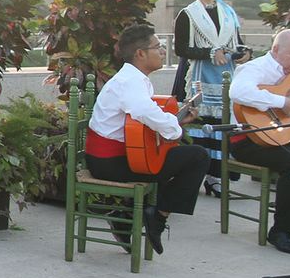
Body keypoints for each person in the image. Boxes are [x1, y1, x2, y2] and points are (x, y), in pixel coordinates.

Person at [84, 24, 211, 254]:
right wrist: (175, 129)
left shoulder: (134, 78)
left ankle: (125, 216)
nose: (162, 51)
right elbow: (144, 112)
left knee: (171, 155)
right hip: (110, 162)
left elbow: (141, 125)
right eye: (158, 47)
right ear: (140, 53)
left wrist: (177, 121)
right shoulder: (130, 82)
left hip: (116, 156)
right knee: (198, 157)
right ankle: (157, 217)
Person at [228, 29, 290, 256]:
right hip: (251, 141)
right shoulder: (254, 68)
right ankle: (281, 231)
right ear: (275, 50)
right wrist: (281, 101)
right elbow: (238, 91)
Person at [170, 0, 248, 194]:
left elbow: (237, 42)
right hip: (197, 74)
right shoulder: (188, 14)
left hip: (225, 76)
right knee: (197, 123)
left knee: (220, 126)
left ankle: (216, 177)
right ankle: (191, 176)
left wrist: (243, 53)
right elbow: (181, 48)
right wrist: (211, 53)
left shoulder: (228, 13)